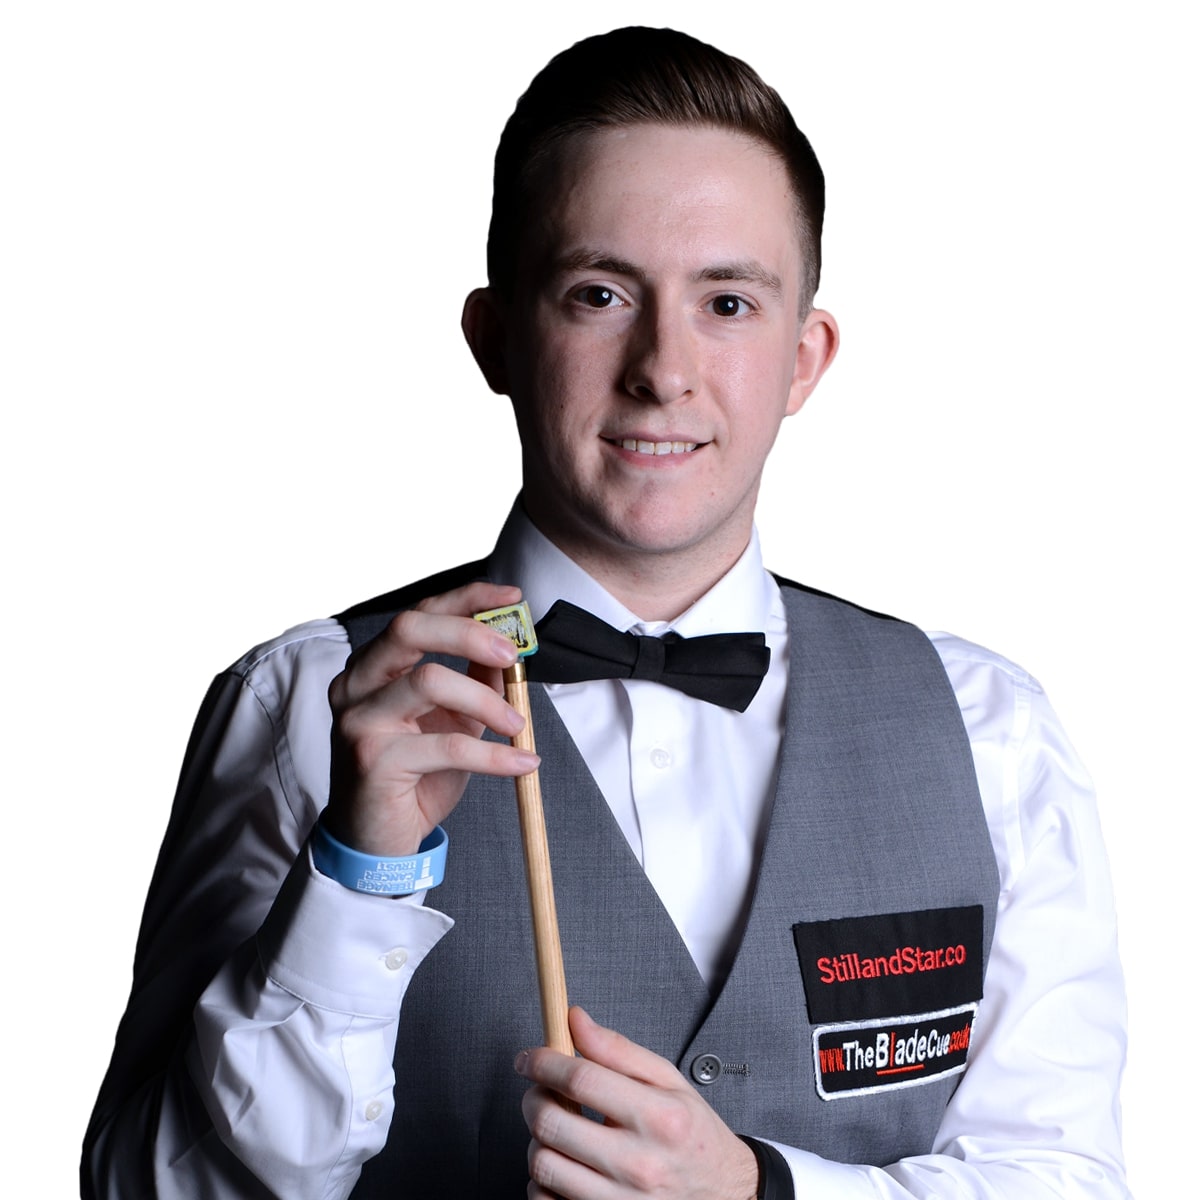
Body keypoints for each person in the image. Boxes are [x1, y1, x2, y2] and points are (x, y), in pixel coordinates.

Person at [82, 25, 1129, 1200]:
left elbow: (1064, 1179)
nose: (662, 368)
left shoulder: (986, 728)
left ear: (805, 358)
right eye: (599, 294)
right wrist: (357, 875)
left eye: (727, 301)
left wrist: (760, 1193)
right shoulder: (303, 704)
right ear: (497, 339)